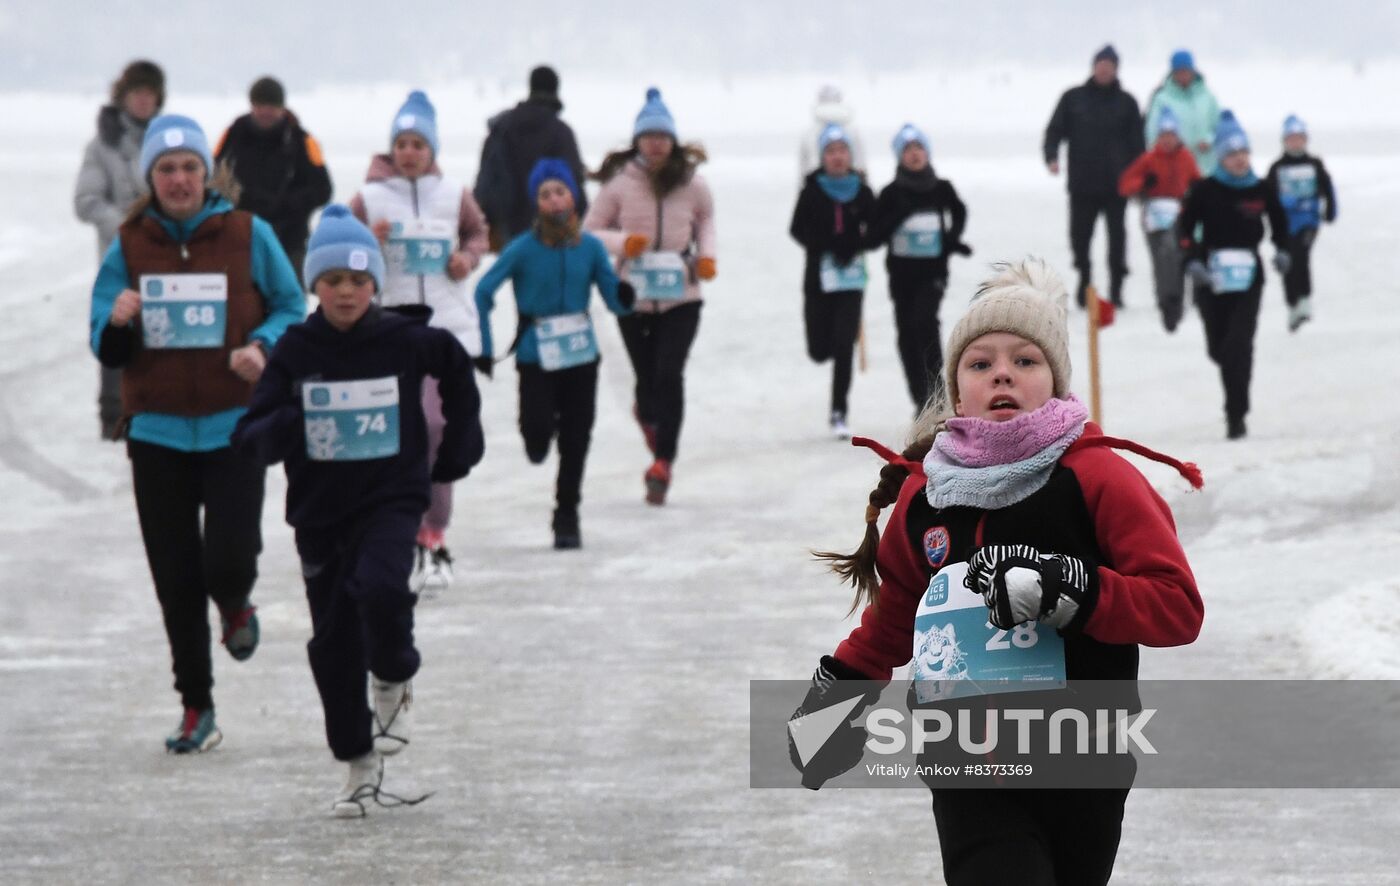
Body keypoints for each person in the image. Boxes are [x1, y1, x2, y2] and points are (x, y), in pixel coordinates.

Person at [790, 259, 1204, 886]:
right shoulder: (925, 497)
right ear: (957, 392)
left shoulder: (1100, 479)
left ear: (1057, 385)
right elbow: (896, 616)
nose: (1002, 373)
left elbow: (1176, 607)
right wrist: (838, 695)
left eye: (1025, 361)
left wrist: (1072, 591)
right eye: (980, 363)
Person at [232, 205, 484, 818]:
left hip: (391, 497)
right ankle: (356, 764)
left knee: (381, 587)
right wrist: (292, 422)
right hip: (320, 512)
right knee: (333, 644)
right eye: (332, 281)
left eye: (358, 279)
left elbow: (453, 363)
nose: (346, 291)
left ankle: (394, 674)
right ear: (314, 286)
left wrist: (456, 447)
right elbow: (253, 431)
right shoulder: (295, 348)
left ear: (375, 283)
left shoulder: (403, 339)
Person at [88, 114, 304, 753]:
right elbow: (104, 339)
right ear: (150, 179)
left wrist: (261, 346)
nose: (179, 179)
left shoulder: (247, 233)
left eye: (188, 167)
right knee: (176, 574)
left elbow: (292, 306)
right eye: (165, 169)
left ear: (208, 175)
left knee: (227, 560)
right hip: (156, 430)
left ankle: (235, 602)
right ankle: (196, 705)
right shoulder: (128, 245)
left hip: (234, 423)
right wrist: (121, 318)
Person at [349, 90, 488, 593]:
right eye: (402, 143)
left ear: (432, 150)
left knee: (436, 428)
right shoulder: (371, 197)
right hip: (390, 330)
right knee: (394, 437)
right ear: (391, 149)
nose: (410, 152)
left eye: (418, 144)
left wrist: (466, 260)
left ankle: (433, 532)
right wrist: (371, 241)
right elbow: (338, 246)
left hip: (447, 331)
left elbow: (478, 234)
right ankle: (392, 530)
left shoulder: (454, 193)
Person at [476, 160, 634, 547]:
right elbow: (483, 292)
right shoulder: (522, 249)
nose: (554, 200)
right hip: (536, 357)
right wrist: (482, 346)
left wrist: (626, 297)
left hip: (582, 356)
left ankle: (567, 516)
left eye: (560, 191)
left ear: (574, 196)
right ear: (536, 203)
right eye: (545, 194)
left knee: (577, 438)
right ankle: (538, 437)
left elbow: (614, 300)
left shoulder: (591, 248)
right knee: (537, 435)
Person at [583, 88, 716, 505]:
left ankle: (663, 461)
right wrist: (624, 243)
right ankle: (648, 415)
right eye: (648, 136)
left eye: (662, 136)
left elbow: (706, 222)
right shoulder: (619, 184)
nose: (656, 143)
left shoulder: (693, 184)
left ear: (672, 140)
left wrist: (707, 257)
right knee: (647, 380)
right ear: (637, 141)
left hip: (682, 295)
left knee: (669, 373)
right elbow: (590, 231)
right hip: (634, 297)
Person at [1178, 110, 1289, 440]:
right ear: (1220, 157)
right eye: (1232, 154)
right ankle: (1234, 387)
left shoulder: (1261, 188)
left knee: (1239, 346)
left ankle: (1236, 415)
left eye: (1244, 153)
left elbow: (1280, 225)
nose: (1240, 160)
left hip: (1249, 278)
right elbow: (1185, 230)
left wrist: (1283, 251)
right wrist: (1191, 262)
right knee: (1220, 350)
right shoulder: (1204, 189)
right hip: (1211, 279)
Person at [75, 59, 165, 441]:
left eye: (151, 94)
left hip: (166, 260)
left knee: (163, 334)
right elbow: (87, 201)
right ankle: (113, 417)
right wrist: (129, 229)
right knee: (116, 331)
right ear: (124, 97)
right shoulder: (103, 146)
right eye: (138, 94)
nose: (144, 101)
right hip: (120, 258)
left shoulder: (167, 141)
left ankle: (158, 410)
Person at [870, 123, 970, 411]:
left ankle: (938, 391)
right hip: (902, 275)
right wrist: (896, 219)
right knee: (906, 331)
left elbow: (959, 212)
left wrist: (952, 238)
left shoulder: (941, 188)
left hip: (933, 273)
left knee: (925, 322)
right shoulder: (891, 193)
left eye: (919, 148)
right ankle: (920, 397)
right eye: (907, 149)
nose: (914, 154)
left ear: (927, 152)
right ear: (899, 157)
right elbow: (874, 236)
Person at [789, 123, 877, 440]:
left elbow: (876, 229)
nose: (837, 157)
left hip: (851, 282)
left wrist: (855, 244)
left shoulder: (862, 191)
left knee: (844, 345)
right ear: (823, 157)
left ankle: (839, 410)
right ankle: (821, 351)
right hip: (818, 278)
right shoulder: (811, 192)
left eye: (842, 151)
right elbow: (797, 230)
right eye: (831, 151)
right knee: (819, 349)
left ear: (850, 156)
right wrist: (827, 244)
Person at [1043, 44, 1145, 308]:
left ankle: (1116, 289)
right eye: (1100, 65)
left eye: (1109, 66)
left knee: (1117, 242)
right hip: (1082, 185)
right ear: (1093, 67)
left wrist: (1140, 179)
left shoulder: (1127, 102)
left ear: (1115, 70)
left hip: (1116, 187)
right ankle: (1084, 280)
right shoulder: (1073, 98)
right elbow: (1054, 131)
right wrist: (1051, 156)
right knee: (1080, 240)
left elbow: (1138, 146)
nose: (1104, 70)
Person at [214, 76, 333, 284]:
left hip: (289, 241)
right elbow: (212, 177)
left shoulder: (301, 140)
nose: (266, 112)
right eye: (261, 105)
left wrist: (287, 205)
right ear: (252, 105)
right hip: (240, 240)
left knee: (290, 306)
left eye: (272, 106)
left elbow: (323, 189)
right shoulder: (233, 134)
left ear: (282, 108)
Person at [474, 65, 588, 250]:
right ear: (556, 88)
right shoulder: (561, 132)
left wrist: (487, 219)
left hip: (506, 225)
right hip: (553, 226)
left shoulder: (502, 127)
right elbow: (575, 181)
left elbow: (486, 179)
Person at [1117, 106, 1201, 332]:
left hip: (1180, 215)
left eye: (1171, 136)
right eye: (1163, 136)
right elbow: (1125, 184)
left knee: (1179, 256)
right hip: (1155, 217)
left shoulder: (1186, 157)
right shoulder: (1149, 159)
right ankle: (1166, 301)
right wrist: (1143, 185)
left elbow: (1197, 182)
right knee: (1163, 258)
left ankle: (1177, 300)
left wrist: (1195, 196)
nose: (1167, 140)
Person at [1265, 114, 1338, 332]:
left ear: (1306, 140)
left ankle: (1305, 297)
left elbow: (1328, 189)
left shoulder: (1314, 164)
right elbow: (1268, 196)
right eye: (1291, 138)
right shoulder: (1277, 167)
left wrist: (1330, 211)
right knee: (1287, 259)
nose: (1295, 142)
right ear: (1284, 141)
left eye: (1299, 138)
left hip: (1308, 221)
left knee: (1301, 254)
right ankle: (1292, 303)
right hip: (1285, 223)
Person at [1144, 50, 1222, 177]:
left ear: (1193, 71)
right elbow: (1152, 132)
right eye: (1179, 72)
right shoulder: (1162, 98)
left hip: (1205, 165)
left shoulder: (1207, 97)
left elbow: (1219, 125)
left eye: (1186, 71)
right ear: (1173, 73)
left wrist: (1209, 140)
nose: (1183, 75)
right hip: (1174, 168)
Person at [799, 84, 867, 182]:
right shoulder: (853, 130)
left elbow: (804, 166)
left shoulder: (809, 132)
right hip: (853, 185)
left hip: (816, 185)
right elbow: (861, 163)